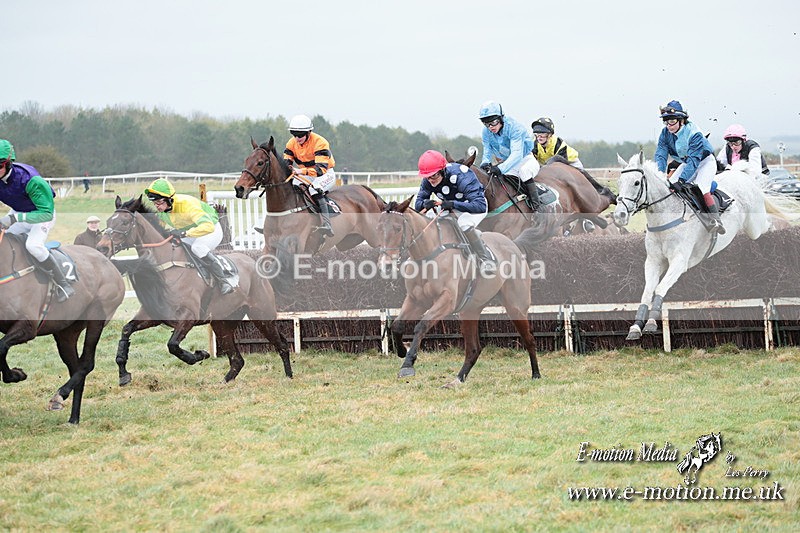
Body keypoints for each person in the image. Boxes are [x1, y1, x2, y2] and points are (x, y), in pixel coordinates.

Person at [0, 139, 75, 302]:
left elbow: (46, 213)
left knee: (33, 246)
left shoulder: (31, 180)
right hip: (19, 212)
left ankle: (63, 283)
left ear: (8, 164)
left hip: (41, 215)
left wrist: (13, 218)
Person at [144, 178, 236, 294]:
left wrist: (184, 233)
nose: (157, 206)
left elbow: (208, 226)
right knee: (176, 249)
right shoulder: (163, 211)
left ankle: (224, 281)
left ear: (170, 199)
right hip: (191, 232)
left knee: (198, 248)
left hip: (211, 229)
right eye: (155, 203)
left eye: (160, 202)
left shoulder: (187, 205)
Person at [414, 150, 496, 274]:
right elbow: (418, 206)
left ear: (443, 170)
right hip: (449, 206)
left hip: (473, 206)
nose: (431, 180)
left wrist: (453, 204)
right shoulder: (428, 179)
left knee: (464, 223)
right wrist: (425, 203)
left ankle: (486, 258)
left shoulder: (461, 175)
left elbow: (479, 205)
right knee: (428, 217)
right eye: (427, 177)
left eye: (434, 175)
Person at [655, 100, 725, 234]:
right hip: (687, 163)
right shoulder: (665, 134)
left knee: (700, 188)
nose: (668, 126)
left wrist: (681, 180)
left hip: (704, 162)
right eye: (666, 121)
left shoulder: (694, 133)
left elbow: (694, 160)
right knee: (670, 188)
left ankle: (716, 221)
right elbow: (661, 154)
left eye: (672, 121)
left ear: (682, 120)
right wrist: (660, 173)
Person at [477, 101, 542, 210]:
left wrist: (500, 168)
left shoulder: (515, 128)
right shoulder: (486, 132)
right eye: (486, 123)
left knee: (524, 172)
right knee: (498, 180)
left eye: (493, 122)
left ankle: (537, 208)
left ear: (501, 118)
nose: (490, 127)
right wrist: (485, 163)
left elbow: (517, 155)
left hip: (525, 159)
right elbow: (487, 150)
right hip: (508, 163)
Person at [283, 114, 336, 237]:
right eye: (294, 134)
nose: (297, 137)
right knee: (289, 187)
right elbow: (286, 164)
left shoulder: (320, 143)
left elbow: (320, 170)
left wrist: (300, 171)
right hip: (306, 174)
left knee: (314, 189)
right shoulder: (291, 143)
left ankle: (326, 223)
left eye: (300, 134)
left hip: (324, 174)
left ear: (308, 132)